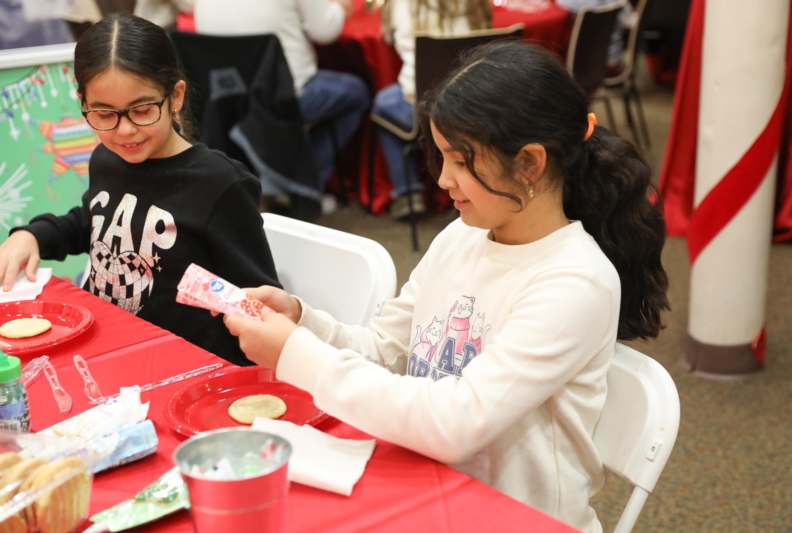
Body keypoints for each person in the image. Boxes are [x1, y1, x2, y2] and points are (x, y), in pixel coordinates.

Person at [222, 41, 669, 531]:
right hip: (428, 487)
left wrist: (297, 355)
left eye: (461, 161)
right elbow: (386, 349)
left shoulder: (575, 282)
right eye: (441, 157)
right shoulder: (464, 234)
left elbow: (458, 423)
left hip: (511, 517)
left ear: (530, 163)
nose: (443, 181)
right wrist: (302, 322)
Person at [0, 14, 281, 367]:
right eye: (104, 114)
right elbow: (92, 221)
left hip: (186, 367)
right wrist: (32, 236)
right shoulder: (107, 159)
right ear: (84, 103)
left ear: (175, 96)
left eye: (142, 110)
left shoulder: (219, 184)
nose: (125, 131)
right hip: (108, 350)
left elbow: (258, 303)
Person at [193, 0, 370, 203]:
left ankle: (280, 175)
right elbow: (326, 30)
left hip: (224, 96)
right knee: (357, 93)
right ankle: (301, 183)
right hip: (280, 95)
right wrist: (342, 7)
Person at [374, 0, 492, 219]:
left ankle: (408, 194)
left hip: (424, 102)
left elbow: (390, 39)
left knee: (382, 102)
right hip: (478, 96)